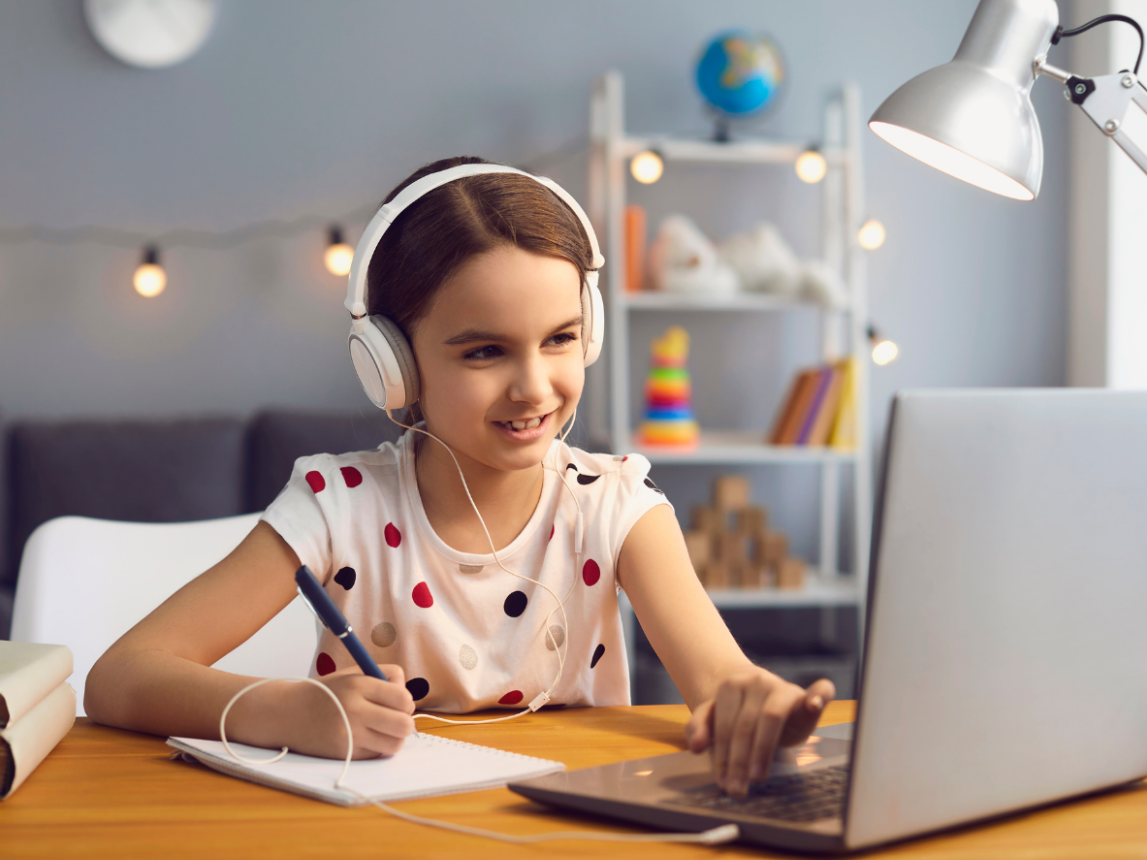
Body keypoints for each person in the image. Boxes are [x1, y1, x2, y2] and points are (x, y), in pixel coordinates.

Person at [85, 156, 835, 799]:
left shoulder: (617, 506)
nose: (534, 387)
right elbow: (118, 677)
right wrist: (281, 710)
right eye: (484, 352)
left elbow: (722, 678)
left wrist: (752, 703)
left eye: (560, 339)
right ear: (392, 364)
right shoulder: (335, 507)